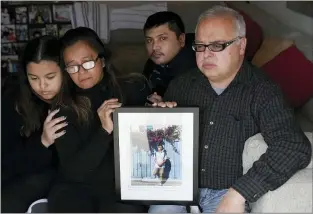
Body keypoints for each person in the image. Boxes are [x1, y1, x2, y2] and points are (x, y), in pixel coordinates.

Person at [150, 5, 312, 213]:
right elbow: (163, 144)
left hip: (226, 192)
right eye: (200, 46)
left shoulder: (263, 91)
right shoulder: (181, 85)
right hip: (176, 188)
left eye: (217, 45)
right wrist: (159, 118)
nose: (206, 54)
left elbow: (293, 146)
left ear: (241, 45)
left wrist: (240, 192)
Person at [47, 27, 150, 213]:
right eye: (72, 66)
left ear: (101, 60)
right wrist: (103, 131)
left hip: (120, 190)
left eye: (87, 63)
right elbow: (75, 172)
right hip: (74, 190)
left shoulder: (133, 88)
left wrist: (161, 110)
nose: (80, 72)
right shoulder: (62, 107)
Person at [1, 36, 67, 212]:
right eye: (34, 78)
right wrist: (42, 142)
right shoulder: (13, 100)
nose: (42, 86)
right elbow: (7, 161)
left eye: (50, 77)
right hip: (19, 176)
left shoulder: (75, 98)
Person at [143, 11, 197, 104]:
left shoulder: (198, 65)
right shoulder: (152, 63)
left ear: (181, 39)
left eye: (162, 38)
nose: (154, 47)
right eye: (149, 40)